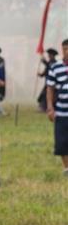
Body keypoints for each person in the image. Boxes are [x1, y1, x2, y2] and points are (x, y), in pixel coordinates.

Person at [46, 38, 68, 175]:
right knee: (61, 142)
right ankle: (67, 167)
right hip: (61, 112)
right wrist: (50, 108)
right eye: (65, 49)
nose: (67, 52)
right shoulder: (55, 67)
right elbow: (50, 88)